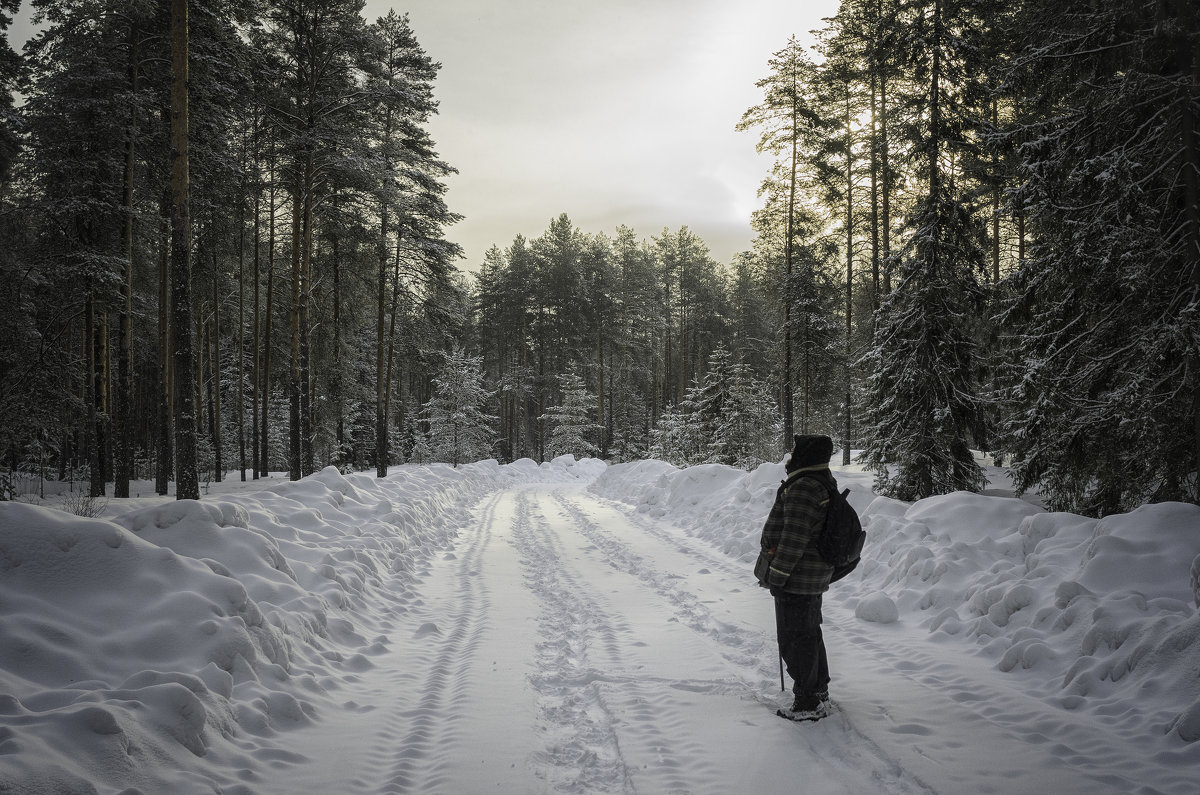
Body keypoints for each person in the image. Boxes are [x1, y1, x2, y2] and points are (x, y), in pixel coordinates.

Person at [754, 434, 837, 721]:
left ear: (805, 454)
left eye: (795, 450)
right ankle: (818, 689)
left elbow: (793, 538)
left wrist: (776, 576)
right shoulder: (820, 480)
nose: (790, 454)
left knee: (795, 637)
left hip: (798, 576)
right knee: (809, 632)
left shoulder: (804, 486)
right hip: (811, 574)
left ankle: (807, 702)